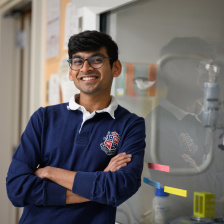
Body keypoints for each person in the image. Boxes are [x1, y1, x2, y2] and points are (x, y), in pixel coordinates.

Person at [6, 30, 146, 224]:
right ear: (71, 72)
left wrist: (49, 172)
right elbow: (17, 188)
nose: (86, 68)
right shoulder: (44, 118)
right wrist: (100, 181)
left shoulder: (130, 124)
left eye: (97, 60)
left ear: (116, 67)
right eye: (78, 61)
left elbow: (120, 188)